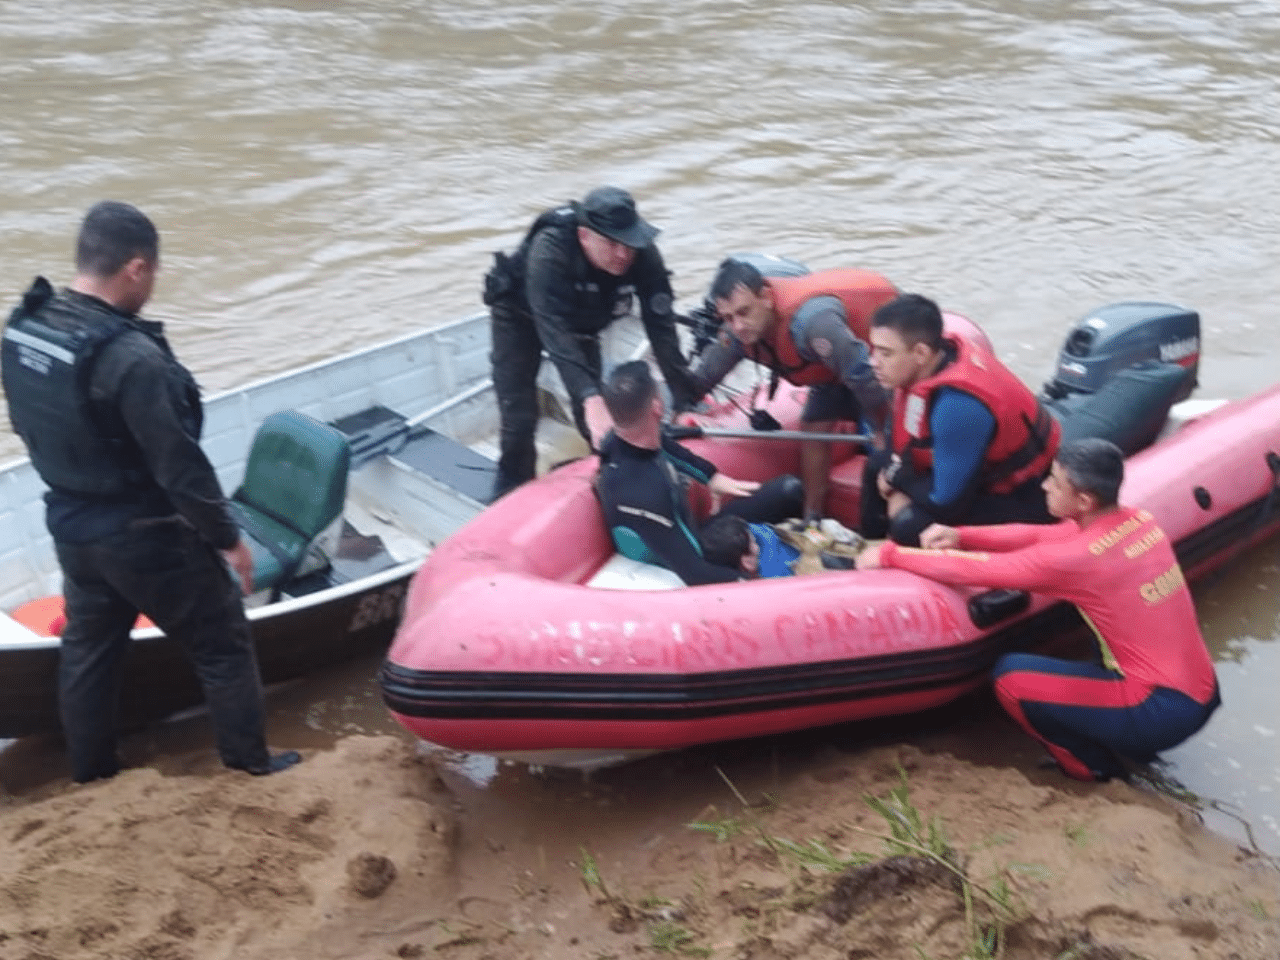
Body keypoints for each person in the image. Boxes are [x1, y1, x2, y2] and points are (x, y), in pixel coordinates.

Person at [1, 201, 300, 783]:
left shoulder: (26, 329)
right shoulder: (132, 360)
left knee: (90, 649)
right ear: (136, 269)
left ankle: (92, 771)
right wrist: (227, 540)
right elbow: (180, 469)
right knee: (222, 644)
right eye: (153, 275)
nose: (152, 287)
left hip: (70, 524)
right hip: (145, 536)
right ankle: (250, 763)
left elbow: (28, 424)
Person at [856, 438, 1221, 782]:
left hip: (1160, 709)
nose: (1045, 486)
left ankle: (1091, 770)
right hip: (1200, 691)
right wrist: (962, 534)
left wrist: (889, 554)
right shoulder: (1138, 520)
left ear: (1083, 501)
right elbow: (1038, 535)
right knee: (1106, 642)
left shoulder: (1078, 560)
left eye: (1055, 482)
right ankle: (1135, 746)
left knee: (1011, 677)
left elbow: (977, 570)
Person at [482, 186, 701, 498]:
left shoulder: (641, 252)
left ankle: (608, 479)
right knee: (519, 415)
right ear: (585, 236)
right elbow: (553, 330)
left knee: (596, 415)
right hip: (523, 316)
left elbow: (660, 324)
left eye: (629, 242)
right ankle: (511, 492)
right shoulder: (551, 250)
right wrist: (589, 397)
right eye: (612, 243)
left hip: (583, 319)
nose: (624, 254)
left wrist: (684, 396)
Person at [693, 258, 899, 521]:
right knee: (812, 426)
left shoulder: (812, 324)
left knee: (888, 442)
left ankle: (890, 517)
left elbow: (862, 375)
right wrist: (671, 411)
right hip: (830, 372)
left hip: (878, 364)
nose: (737, 326)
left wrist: (883, 430)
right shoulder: (738, 332)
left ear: (766, 298)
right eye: (728, 318)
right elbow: (703, 377)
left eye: (744, 312)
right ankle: (812, 517)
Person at [863, 292, 1059, 546]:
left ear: (921, 353)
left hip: (1021, 497)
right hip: (970, 479)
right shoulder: (926, 366)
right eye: (874, 350)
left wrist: (896, 480)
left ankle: (889, 566)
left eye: (885, 354)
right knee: (874, 466)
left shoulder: (958, 406)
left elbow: (945, 503)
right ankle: (864, 546)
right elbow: (897, 446)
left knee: (909, 525)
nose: (874, 363)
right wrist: (893, 474)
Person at [595, 360, 804, 586]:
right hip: (681, 561)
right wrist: (751, 583)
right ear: (657, 407)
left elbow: (668, 447)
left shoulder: (620, 441)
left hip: (689, 536)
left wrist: (712, 477)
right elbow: (694, 572)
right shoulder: (647, 494)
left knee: (789, 490)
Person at [699, 513, 863, 578]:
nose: (756, 545)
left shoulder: (754, 533)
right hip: (818, 562)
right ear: (746, 562)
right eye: (753, 544)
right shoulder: (773, 575)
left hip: (816, 542)